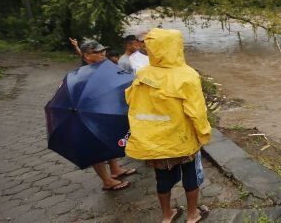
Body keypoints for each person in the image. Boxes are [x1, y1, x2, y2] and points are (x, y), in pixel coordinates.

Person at [125, 28, 211, 223]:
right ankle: (192, 215)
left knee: (162, 178)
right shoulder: (187, 75)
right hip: (183, 139)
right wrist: (204, 134)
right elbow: (197, 111)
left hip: (154, 140)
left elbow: (130, 100)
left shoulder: (143, 73)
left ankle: (167, 215)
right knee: (191, 175)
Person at [79, 40, 137, 191]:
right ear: (86, 56)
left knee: (110, 139)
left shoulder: (104, 67)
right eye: (97, 52)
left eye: (102, 51)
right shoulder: (82, 75)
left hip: (107, 111)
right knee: (95, 147)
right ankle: (107, 181)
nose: (102, 54)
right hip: (91, 115)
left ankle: (115, 169)